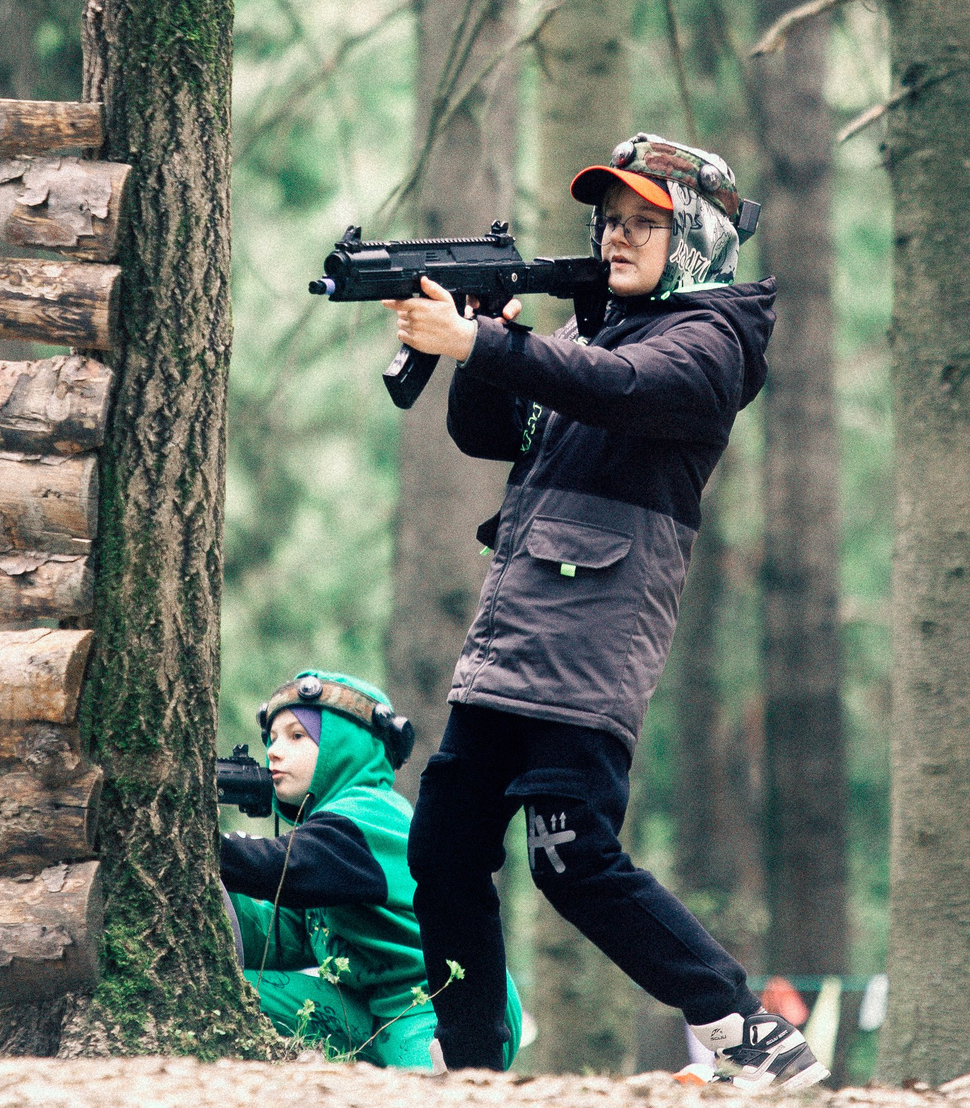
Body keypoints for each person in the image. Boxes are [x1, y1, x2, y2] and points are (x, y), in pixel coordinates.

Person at [383, 133, 823, 1090]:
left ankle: (746, 1026)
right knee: (443, 848)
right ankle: (472, 1066)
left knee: (572, 854)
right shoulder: (595, 335)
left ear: (696, 235)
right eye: (609, 221)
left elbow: (622, 390)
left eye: (643, 223)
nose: (616, 237)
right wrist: (483, 345)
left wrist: (486, 341)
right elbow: (487, 432)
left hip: (592, 641)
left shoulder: (709, 342)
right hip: (514, 633)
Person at [219, 669, 522, 1068]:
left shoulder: (371, 815)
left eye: (296, 736)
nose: (274, 751)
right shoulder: (323, 836)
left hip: (440, 1008)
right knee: (229, 992)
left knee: (425, 1093)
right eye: (272, 738)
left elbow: (286, 866)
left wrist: (208, 846)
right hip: (368, 1008)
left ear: (346, 747)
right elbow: (289, 935)